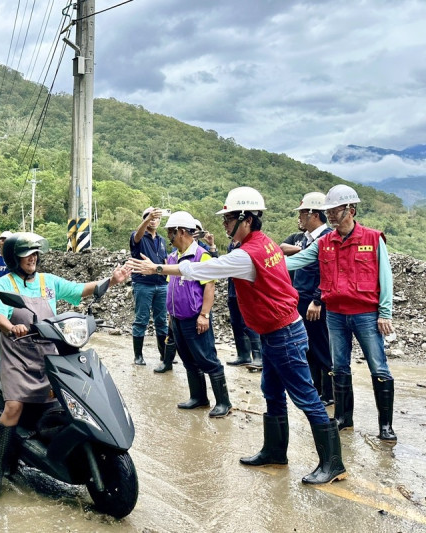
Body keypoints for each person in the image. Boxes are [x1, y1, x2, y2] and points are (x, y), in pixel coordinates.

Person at [129, 187, 346, 485]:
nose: (225, 224)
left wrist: (156, 268)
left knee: (306, 396)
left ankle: (333, 463)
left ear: (246, 219)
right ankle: (275, 451)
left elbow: (206, 269)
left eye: (229, 218)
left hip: (284, 333)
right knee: (271, 392)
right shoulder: (265, 243)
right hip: (275, 332)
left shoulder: (247, 254)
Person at [0, 232, 131, 494]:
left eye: (34, 254)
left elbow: (80, 289)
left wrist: (111, 280)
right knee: (14, 407)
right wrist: (11, 327)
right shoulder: (5, 284)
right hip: (18, 355)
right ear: (14, 259)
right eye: (25, 255)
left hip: (47, 354)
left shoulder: (48, 282)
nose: (32, 258)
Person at [285, 184, 396, 442]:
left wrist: (385, 312)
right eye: (329, 211)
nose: (331, 215)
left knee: (378, 367)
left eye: (335, 210)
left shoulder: (372, 239)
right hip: (335, 314)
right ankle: (344, 418)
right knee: (339, 367)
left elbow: (385, 277)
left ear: (351, 210)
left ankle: (386, 426)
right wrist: (263, 262)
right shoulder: (325, 242)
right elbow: (297, 261)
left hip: (366, 314)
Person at [163, 211, 231, 418]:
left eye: (170, 233)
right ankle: (199, 397)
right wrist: (170, 317)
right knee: (187, 359)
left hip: (195, 317)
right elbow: (171, 287)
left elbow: (209, 287)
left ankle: (223, 402)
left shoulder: (203, 256)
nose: (169, 237)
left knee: (207, 358)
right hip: (177, 318)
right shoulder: (173, 257)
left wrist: (204, 315)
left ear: (181, 232)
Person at [288, 192, 334, 406]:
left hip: (316, 302)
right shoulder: (308, 240)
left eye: (303, 214)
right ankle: (317, 390)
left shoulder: (327, 238)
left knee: (321, 346)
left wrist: (317, 299)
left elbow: (328, 272)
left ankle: (330, 393)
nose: (300, 218)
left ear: (314, 214)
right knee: (309, 347)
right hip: (302, 299)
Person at [130, 207, 169, 366]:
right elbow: (138, 235)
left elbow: (165, 260)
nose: (153, 220)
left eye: (155, 218)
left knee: (162, 321)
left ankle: (164, 355)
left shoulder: (162, 240)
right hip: (143, 284)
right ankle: (138, 356)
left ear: (160, 221)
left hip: (161, 285)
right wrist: (147, 219)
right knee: (141, 320)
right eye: (148, 218)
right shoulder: (137, 236)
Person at [224, 240, 263, 369]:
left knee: (250, 324)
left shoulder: (247, 244)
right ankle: (243, 355)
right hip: (232, 291)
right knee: (236, 323)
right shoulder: (231, 245)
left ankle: (258, 356)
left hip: (246, 292)